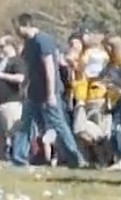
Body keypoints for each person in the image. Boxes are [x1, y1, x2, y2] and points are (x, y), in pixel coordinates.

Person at [8, 14, 85, 168]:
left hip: (48, 91)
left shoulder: (43, 40)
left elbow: (49, 67)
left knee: (59, 125)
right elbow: (29, 68)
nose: (15, 31)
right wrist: (25, 87)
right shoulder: (28, 44)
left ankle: (75, 158)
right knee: (25, 125)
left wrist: (50, 94)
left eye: (17, 27)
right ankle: (19, 159)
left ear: (25, 25)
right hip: (33, 92)